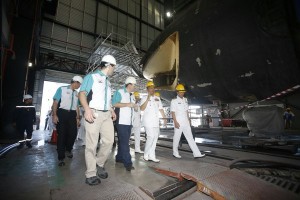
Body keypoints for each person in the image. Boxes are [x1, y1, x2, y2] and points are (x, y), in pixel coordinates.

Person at [78, 55, 117, 186]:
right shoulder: (92, 77)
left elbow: (106, 99)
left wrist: (111, 109)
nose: (114, 70)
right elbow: (82, 93)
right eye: (114, 67)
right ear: (109, 65)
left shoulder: (108, 81)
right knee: (91, 145)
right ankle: (90, 174)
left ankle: (99, 163)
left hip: (106, 115)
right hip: (93, 113)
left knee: (109, 141)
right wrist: (87, 109)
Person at [52, 75, 83, 166]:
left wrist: (77, 118)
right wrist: (55, 114)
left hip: (72, 114)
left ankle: (68, 149)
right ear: (75, 82)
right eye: (79, 84)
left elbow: (77, 106)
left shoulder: (77, 93)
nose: (79, 86)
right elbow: (55, 102)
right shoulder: (62, 89)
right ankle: (61, 157)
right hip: (62, 113)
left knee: (73, 134)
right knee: (61, 135)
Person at [170, 84, 205, 159]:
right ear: (177, 92)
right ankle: (175, 153)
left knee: (190, 138)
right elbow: (173, 112)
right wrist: (175, 122)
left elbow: (186, 111)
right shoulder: (174, 101)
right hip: (178, 122)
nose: (182, 93)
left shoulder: (185, 100)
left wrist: (189, 120)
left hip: (186, 122)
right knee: (177, 138)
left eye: (183, 92)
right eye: (181, 92)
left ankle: (197, 153)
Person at [112, 76, 137, 171]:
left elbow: (131, 106)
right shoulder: (120, 92)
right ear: (129, 84)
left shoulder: (132, 95)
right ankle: (128, 163)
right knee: (125, 143)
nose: (135, 86)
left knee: (123, 141)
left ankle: (119, 158)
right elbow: (114, 103)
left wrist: (134, 107)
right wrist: (127, 105)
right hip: (121, 122)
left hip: (129, 122)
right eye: (134, 85)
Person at [140, 81, 167, 163]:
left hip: (155, 121)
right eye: (151, 88)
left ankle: (152, 155)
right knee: (151, 137)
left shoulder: (157, 98)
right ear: (147, 89)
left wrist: (164, 118)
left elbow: (161, 109)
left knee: (155, 138)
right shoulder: (144, 98)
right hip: (147, 121)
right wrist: (147, 99)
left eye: (153, 88)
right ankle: (146, 154)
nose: (152, 90)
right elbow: (141, 108)